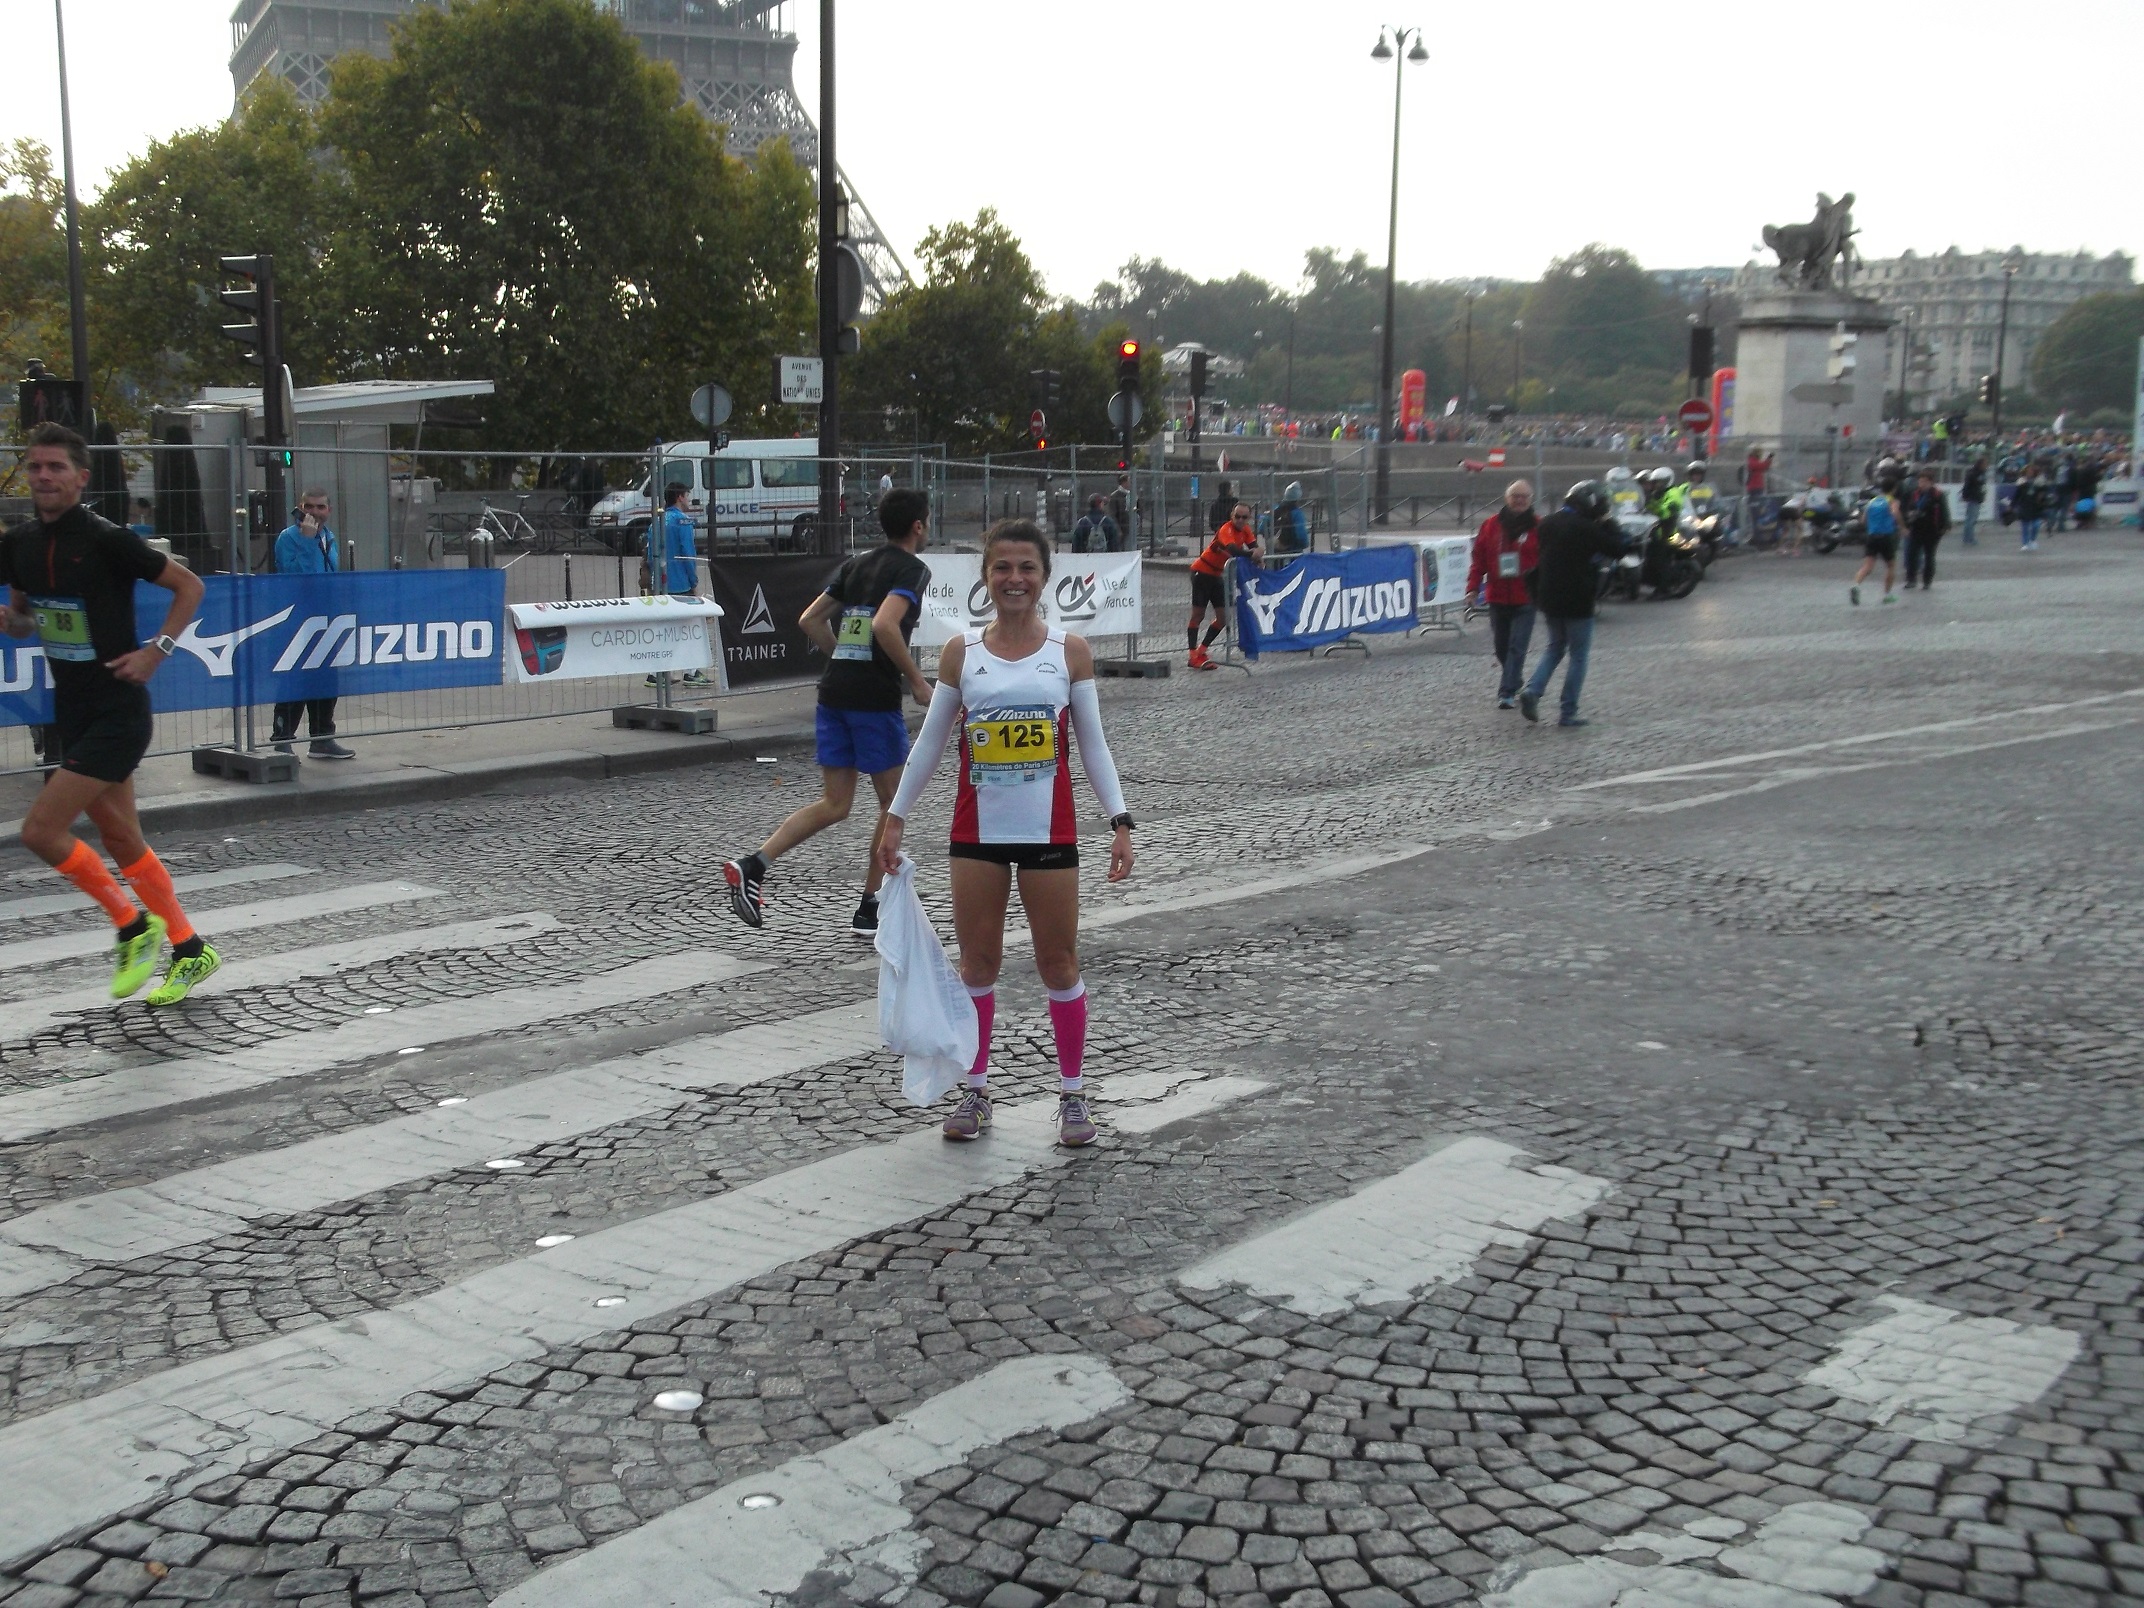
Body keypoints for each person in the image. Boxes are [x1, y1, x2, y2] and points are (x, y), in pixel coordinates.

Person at [877, 519, 1134, 1149]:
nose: (1014, 580)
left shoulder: (1069, 651)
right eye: (1002, 569)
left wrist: (1120, 819)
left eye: (1026, 569)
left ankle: (1073, 1095)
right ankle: (976, 1089)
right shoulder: (961, 652)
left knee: (1058, 962)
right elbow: (932, 743)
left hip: (1052, 832)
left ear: (1045, 578)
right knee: (979, 964)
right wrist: (895, 816)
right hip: (978, 835)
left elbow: (1093, 745)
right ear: (985, 577)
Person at [2, 422, 220, 1005]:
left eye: (56, 467)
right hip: (70, 706)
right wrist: (13, 621)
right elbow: (25, 618)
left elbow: (190, 587)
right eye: (36, 467)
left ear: (81, 477)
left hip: (118, 711)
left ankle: (130, 924)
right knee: (122, 838)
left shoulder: (107, 538)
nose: (44, 476)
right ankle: (191, 949)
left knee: (40, 831)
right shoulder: (18, 542)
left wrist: (157, 651)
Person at [723, 488, 932, 936]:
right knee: (892, 803)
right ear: (918, 526)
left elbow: (809, 620)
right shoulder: (912, 568)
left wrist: (843, 656)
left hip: (834, 691)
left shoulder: (856, 564)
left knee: (836, 804)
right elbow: (884, 624)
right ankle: (869, 907)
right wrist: (916, 681)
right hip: (873, 698)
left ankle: (754, 864)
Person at [1518, 481, 1622, 729]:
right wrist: (1609, 523)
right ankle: (1568, 711)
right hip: (1577, 596)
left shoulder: (1548, 523)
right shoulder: (1586, 528)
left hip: (1548, 595)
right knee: (1578, 656)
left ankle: (1533, 689)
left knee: (1555, 647)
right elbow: (1618, 547)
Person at [269, 488, 355, 760]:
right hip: (298, 617)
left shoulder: (328, 537)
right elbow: (295, 576)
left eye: (320, 507)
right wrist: (307, 542)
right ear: (300, 508)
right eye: (309, 507)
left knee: (326, 678)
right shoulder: (289, 538)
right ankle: (283, 738)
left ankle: (322, 737)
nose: (314, 513)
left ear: (328, 510)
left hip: (326, 615)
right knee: (296, 677)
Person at [1466, 480, 1539, 708]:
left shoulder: (1539, 526)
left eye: (1524, 497)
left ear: (1530, 500)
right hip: (1497, 596)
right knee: (1501, 646)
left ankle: (1506, 693)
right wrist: (1472, 588)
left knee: (1517, 645)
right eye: (1515, 496)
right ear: (1507, 498)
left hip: (1526, 597)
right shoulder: (1490, 526)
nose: (1519, 500)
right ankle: (1515, 679)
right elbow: (1478, 561)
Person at [645, 480, 708, 688]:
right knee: (690, 627)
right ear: (680, 496)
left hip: (660, 581)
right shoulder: (683, 521)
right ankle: (691, 672)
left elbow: (649, 552)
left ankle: (657, 673)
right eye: (687, 495)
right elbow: (688, 554)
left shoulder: (657, 520)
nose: (689, 499)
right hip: (681, 582)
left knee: (663, 627)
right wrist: (694, 582)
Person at [1185, 503, 1261, 669]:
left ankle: (1201, 651)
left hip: (1217, 574)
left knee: (1223, 618)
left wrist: (1258, 555)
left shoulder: (1246, 530)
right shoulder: (1226, 529)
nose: (1240, 520)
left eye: (1244, 517)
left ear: (1249, 518)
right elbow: (1234, 550)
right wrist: (1253, 554)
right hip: (1202, 572)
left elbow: (1254, 547)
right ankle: (1192, 656)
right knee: (1198, 615)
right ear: (1231, 516)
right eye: (1237, 516)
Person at [1851, 478, 1901, 605]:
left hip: (1872, 536)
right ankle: (1887, 595)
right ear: (1894, 489)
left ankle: (1856, 586)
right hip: (1886, 536)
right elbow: (1895, 514)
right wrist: (1900, 524)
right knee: (1891, 566)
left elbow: (1863, 520)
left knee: (1867, 566)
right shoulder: (1892, 501)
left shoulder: (1872, 501)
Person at [1900, 471, 1951, 591]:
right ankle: (1911, 579)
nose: (1921, 484)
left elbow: (1944, 510)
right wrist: (1906, 525)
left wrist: (1946, 526)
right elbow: (1908, 509)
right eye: (1920, 481)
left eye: (1924, 481)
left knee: (1929, 556)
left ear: (1930, 482)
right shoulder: (1914, 494)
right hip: (1916, 528)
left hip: (1932, 530)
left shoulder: (1938, 494)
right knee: (1912, 554)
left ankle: (1927, 581)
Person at [2013, 465, 2046, 552]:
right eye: (2028, 471)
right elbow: (2017, 495)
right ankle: (2025, 543)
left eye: (2031, 471)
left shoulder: (2038, 482)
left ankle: (2032, 540)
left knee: (2036, 525)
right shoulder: (2021, 482)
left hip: (2035, 506)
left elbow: (2043, 492)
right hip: (2025, 506)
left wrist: (2042, 499)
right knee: (2025, 526)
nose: (2030, 473)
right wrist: (2012, 505)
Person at [1960, 457, 1986, 546]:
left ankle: (1967, 537)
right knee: (1970, 520)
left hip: (1977, 498)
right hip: (1972, 498)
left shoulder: (1982, 473)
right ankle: (1969, 538)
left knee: (1972, 519)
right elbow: (1967, 485)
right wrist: (1965, 495)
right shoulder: (1973, 473)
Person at [1108, 475, 1131, 551]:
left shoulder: (1130, 495)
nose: (1130, 483)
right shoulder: (1115, 495)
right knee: (1120, 546)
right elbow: (1112, 514)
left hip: (1129, 525)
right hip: (1121, 525)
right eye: (1128, 481)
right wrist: (1118, 529)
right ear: (1124, 482)